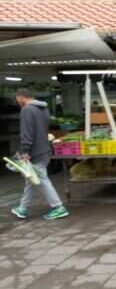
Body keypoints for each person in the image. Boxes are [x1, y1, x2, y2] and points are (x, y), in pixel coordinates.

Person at [11, 88, 69, 220]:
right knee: (30, 179)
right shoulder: (43, 108)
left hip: (35, 152)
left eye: (17, 99)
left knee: (42, 179)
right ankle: (22, 208)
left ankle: (58, 207)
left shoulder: (27, 109)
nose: (17, 102)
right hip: (45, 149)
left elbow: (27, 132)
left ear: (21, 97)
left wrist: (25, 151)